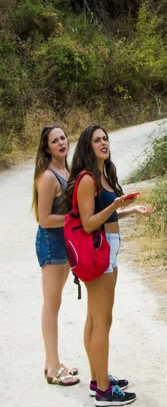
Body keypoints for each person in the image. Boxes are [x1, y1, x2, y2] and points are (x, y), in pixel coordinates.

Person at [64, 123, 155, 407]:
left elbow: (107, 216)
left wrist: (128, 209)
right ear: (87, 147)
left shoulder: (104, 174)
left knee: (96, 319)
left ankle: (97, 380)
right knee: (102, 322)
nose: (104, 143)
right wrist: (115, 205)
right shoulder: (87, 179)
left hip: (110, 248)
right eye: (97, 140)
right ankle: (104, 391)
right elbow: (90, 223)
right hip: (98, 250)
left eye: (105, 138)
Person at [33, 124, 80, 386]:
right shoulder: (49, 177)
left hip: (64, 243)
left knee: (56, 303)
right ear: (47, 147)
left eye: (63, 137)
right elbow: (44, 220)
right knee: (51, 306)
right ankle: (53, 368)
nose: (61, 142)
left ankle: (53, 361)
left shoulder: (67, 170)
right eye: (55, 140)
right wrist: (74, 219)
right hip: (51, 244)